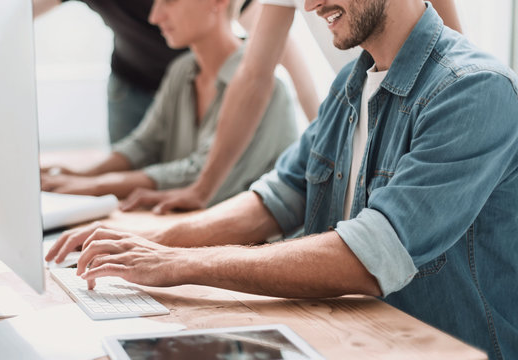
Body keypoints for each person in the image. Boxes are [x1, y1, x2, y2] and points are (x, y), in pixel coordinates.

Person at [46, 1, 518, 358]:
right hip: (351, 334)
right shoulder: (351, 84)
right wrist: (147, 243)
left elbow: (369, 256)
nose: (310, 5)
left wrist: (179, 263)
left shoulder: (474, 90)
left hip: (435, 348)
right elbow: (278, 196)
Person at [120, 0, 462, 213]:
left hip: (416, 107)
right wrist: (202, 190)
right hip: (360, 86)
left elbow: (448, 55)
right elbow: (254, 75)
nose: (309, 6)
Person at [0, 0, 320, 143]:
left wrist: (321, 122)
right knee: (129, 189)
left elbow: (280, 45)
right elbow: (10, 13)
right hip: (132, 87)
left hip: (203, 88)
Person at [40, 0, 297, 204]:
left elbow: (201, 173)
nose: (154, 16)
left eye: (169, 1)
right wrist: (80, 175)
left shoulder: (269, 88)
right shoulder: (181, 71)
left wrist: (95, 186)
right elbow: (143, 144)